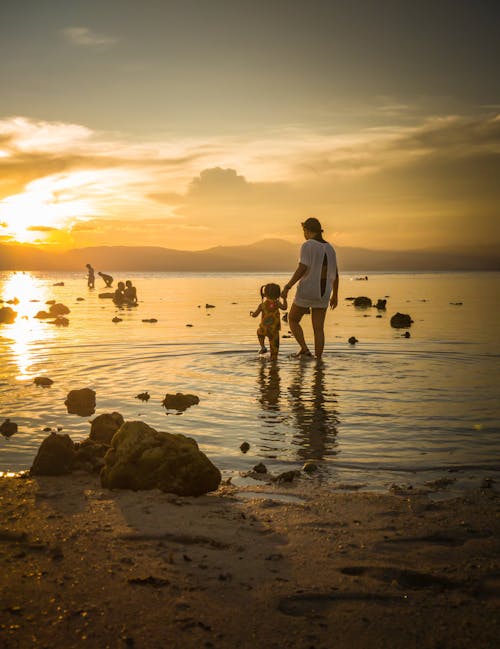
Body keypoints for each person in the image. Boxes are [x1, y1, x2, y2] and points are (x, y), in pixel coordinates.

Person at [281, 218, 338, 360]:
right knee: (318, 329)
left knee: (292, 319)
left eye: (304, 231)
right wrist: (335, 295)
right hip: (324, 292)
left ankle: (305, 349)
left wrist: (288, 286)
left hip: (308, 289)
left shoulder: (308, 245)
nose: (304, 234)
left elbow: (302, 267)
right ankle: (318, 361)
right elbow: (335, 273)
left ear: (307, 230)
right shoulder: (330, 248)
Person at [250, 283, 288, 360]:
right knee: (274, 355)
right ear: (278, 294)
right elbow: (284, 308)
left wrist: (252, 313)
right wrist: (284, 299)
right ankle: (273, 364)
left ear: (265, 294)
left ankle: (263, 347)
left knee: (258, 332)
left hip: (263, 329)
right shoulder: (277, 303)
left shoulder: (262, 305)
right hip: (274, 331)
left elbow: (255, 315)